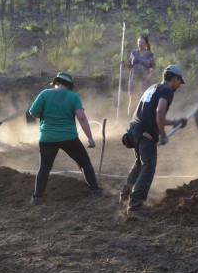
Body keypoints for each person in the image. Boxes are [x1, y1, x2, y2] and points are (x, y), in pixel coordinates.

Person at [120, 65, 188, 216]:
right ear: (174, 78)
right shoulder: (167, 90)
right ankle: (135, 206)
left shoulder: (154, 87)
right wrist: (163, 135)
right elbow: (159, 112)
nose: (179, 85)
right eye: (179, 81)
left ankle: (124, 197)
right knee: (148, 167)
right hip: (145, 134)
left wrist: (174, 122)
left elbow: (153, 113)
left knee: (139, 165)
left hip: (134, 129)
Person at [28, 72, 102, 205]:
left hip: (47, 137)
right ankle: (95, 191)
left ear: (56, 82)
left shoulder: (44, 93)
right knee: (85, 163)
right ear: (69, 85)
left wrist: (46, 115)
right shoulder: (73, 96)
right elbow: (81, 117)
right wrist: (90, 138)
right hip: (69, 137)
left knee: (44, 168)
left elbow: (33, 112)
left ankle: (37, 198)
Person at [127, 35, 156, 117]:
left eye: (142, 43)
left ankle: (142, 119)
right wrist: (125, 64)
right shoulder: (133, 53)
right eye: (139, 42)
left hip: (144, 80)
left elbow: (153, 67)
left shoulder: (150, 54)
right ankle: (129, 120)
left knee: (143, 100)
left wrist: (150, 75)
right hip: (133, 79)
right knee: (132, 99)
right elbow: (130, 65)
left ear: (146, 44)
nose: (140, 44)